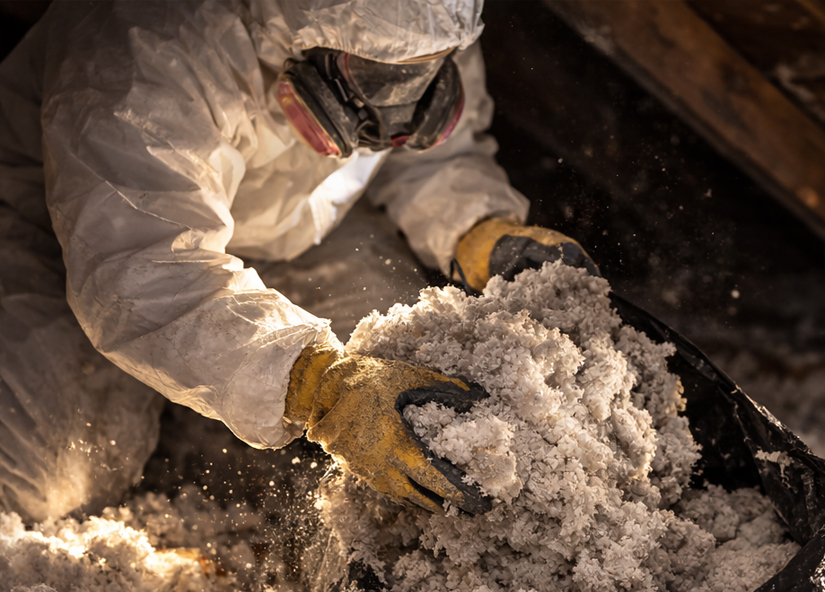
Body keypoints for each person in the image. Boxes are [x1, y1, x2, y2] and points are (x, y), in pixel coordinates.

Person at [0, 0, 596, 522]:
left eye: (418, 80)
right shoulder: (144, 44)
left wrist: (478, 228)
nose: (391, 122)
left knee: (420, 389)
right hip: (76, 241)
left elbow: (429, 152)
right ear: (298, 32)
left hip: (294, 229)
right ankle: (198, 398)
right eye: (377, 84)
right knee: (41, 482)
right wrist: (323, 387)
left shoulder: (427, 25)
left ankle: (229, 388)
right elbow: (141, 265)